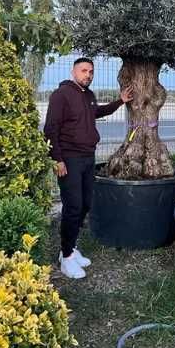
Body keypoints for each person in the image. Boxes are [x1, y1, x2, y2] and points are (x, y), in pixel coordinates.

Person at [44, 57, 133, 279]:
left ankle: (72, 247)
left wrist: (120, 101)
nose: (88, 75)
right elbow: (50, 128)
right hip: (69, 159)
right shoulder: (61, 95)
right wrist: (57, 159)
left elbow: (98, 112)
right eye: (84, 71)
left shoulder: (88, 96)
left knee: (84, 204)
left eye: (91, 71)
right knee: (72, 206)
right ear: (74, 72)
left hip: (87, 157)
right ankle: (65, 257)